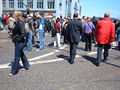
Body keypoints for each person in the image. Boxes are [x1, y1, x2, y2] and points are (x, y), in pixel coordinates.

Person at [9, 11, 30, 76]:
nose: (13, 15)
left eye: (14, 14)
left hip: (19, 42)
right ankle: (26, 66)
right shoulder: (17, 22)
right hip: (18, 41)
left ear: (17, 16)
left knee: (16, 57)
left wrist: (16, 39)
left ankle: (13, 71)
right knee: (21, 54)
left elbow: (23, 34)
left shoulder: (20, 22)